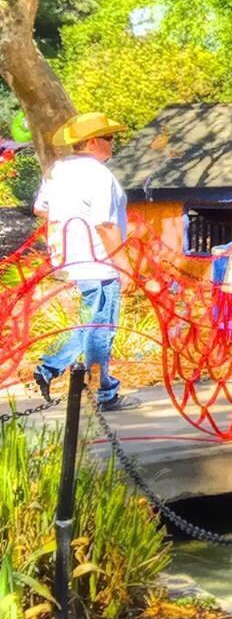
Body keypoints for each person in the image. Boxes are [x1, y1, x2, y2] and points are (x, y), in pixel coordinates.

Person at [32, 112, 130, 408]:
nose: (113, 144)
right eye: (109, 138)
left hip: (72, 258)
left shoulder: (58, 169)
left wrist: (70, 223)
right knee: (102, 328)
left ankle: (48, 368)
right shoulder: (99, 175)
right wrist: (124, 266)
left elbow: (40, 208)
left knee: (91, 321)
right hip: (99, 262)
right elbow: (105, 224)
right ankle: (103, 391)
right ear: (91, 142)